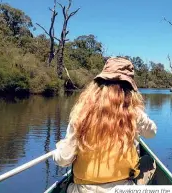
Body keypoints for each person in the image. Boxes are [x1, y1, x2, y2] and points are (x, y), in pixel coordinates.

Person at [53, 57, 158, 193]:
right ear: (129, 88)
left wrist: (58, 150)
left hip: (82, 189)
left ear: (99, 84)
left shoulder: (81, 113)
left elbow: (63, 160)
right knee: (149, 161)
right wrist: (140, 115)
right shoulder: (134, 113)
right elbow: (152, 133)